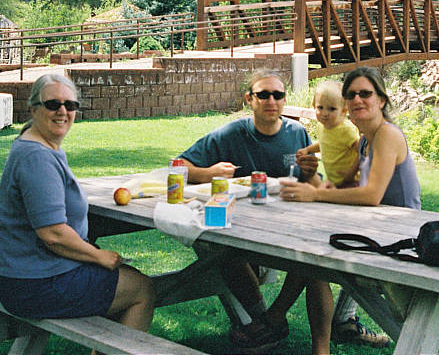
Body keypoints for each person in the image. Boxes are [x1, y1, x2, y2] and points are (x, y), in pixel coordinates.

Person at [0, 74, 156, 355]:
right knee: (142, 290)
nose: (63, 111)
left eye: (70, 104)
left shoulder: (38, 146)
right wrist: (100, 256)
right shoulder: (37, 157)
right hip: (33, 284)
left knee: (117, 280)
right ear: (33, 109)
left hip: (21, 274)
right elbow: (53, 235)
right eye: (53, 103)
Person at [276, 66, 421, 354]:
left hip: (402, 239)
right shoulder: (366, 138)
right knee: (311, 250)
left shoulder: (387, 135)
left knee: (315, 257)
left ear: (381, 100)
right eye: (351, 95)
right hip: (377, 230)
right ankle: (327, 327)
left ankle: (276, 318)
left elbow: (371, 195)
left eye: (365, 93)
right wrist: (315, 179)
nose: (357, 100)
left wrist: (315, 196)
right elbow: (347, 183)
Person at [178, 69, 315, 352]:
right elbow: (178, 166)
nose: (271, 101)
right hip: (242, 227)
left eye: (278, 95)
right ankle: (263, 319)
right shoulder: (231, 134)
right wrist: (208, 173)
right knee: (221, 252)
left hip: (290, 226)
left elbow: (312, 182)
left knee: (315, 257)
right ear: (249, 99)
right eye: (263, 95)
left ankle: (273, 317)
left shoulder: (298, 133)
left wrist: (313, 178)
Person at [292, 80, 389, 348]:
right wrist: (309, 150)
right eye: (320, 107)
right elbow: (324, 144)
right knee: (320, 250)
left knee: (352, 251)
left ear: (344, 111)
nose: (324, 113)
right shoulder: (325, 128)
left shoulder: (347, 130)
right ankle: (344, 322)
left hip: (349, 192)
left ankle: (346, 320)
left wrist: (350, 175)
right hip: (334, 195)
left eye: (331, 109)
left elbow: (360, 150)